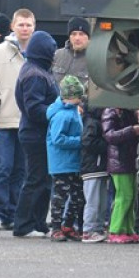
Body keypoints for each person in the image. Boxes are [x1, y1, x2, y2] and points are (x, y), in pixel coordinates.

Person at [0, 9, 34, 230]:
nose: (24, 28)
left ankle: (13, 213)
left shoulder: (38, 53)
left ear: (34, 27)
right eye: (21, 24)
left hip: (27, 120)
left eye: (28, 25)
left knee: (21, 170)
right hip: (3, 119)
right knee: (2, 168)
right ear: (12, 26)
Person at [12, 30, 59, 238]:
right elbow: (34, 108)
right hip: (35, 134)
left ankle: (38, 223)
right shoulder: (36, 75)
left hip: (36, 132)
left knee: (43, 179)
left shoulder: (36, 70)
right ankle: (24, 224)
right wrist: (57, 111)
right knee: (35, 179)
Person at [47, 75, 86, 242]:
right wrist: (80, 141)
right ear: (70, 97)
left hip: (72, 162)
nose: (81, 99)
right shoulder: (63, 115)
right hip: (62, 163)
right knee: (60, 197)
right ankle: (56, 227)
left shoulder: (73, 111)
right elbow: (58, 139)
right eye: (78, 96)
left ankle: (68, 225)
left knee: (78, 196)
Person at [102, 107, 139, 243]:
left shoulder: (127, 112)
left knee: (131, 197)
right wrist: (131, 130)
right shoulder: (110, 112)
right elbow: (110, 136)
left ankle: (128, 229)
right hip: (118, 161)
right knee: (124, 196)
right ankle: (115, 230)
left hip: (129, 160)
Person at [79, 106, 110, 243]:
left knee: (101, 202)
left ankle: (98, 228)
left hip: (99, 168)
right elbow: (87, 141)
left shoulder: (95, 121)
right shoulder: (92, 122)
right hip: (92, 168)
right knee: (93, 201)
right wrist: (106, 143)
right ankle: (89, 230)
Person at [52, 16, 90, 90]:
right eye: (73, 34)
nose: (77, 38)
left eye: (81, 34)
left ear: (88, 37)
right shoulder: (57, 55)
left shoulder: (95, 60)